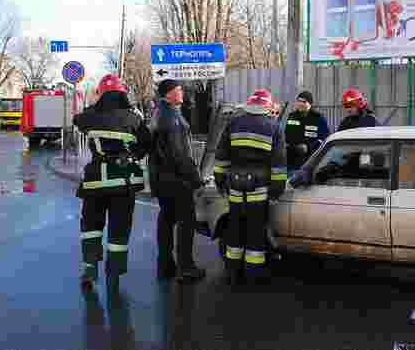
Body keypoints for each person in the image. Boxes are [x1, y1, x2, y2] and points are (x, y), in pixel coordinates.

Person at [74, 74, 152, 291]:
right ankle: (114, 272)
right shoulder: (134, 117)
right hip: (123, 181)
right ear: (123, 94)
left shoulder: (90, 115)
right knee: (119, 228)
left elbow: (77, 121)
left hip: (95, 182)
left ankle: (89, 268)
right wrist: (133, 154)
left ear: (101, 93)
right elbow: (147, 143)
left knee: (91, 226)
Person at [213, 89, 287, 285]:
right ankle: (254, 273)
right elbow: (278, 164)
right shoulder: (274, 127)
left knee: (235, 229)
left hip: (235, 189)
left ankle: (232, 272)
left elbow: (221, 155)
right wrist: (277, 189)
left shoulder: (234, 122)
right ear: (267, 107)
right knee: (255, 232)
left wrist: (220, 179)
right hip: (259, 191)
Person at [148, 79, 206, 282]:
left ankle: (165, 265)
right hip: (177, 180)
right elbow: (180, 155)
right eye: (178, 90)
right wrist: (196, 180)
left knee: (166, 219)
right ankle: (186, 267)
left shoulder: (159, 113)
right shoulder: (171, 117)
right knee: (186, 221)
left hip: (160, 178)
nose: (181, 92)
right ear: (168, 94)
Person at [285, 91, 330, 173]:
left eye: (304, 102)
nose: (300, 104)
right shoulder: (292, 116)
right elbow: (286, 137)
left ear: (310, 104)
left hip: (311, 161)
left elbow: (324, 139)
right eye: (298, 101)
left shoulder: (318, 118)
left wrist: (308, 147)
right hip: (292, 162)